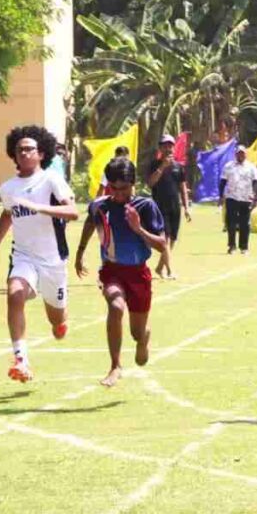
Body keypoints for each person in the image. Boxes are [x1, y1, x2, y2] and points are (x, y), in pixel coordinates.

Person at [0, 126, 79, 383]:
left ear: (41, 153)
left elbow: (73, 212)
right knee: (14, 294)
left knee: (56, 320)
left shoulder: (51, 180)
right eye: (19, 149)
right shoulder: (9, 187)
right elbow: (8, 214)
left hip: (53, 260)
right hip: (23, 256)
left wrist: (39, 207)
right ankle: (21, 360)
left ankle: (59, 320)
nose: (23, 153)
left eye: (29, 149)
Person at [75, 158, 166, 387]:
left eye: (123, 189)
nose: (117, 194)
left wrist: (138, 229)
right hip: (112, 270)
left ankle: (143, 338)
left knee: (137, 332)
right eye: (113, 189)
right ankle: (115, 365)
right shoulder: (99, 205)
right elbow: (89, 222)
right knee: (115, 306)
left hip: (138, 274)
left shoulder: (146, 206)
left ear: (133, 184)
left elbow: (162, 244)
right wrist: (80, 252)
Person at [147, 135, 191, 278]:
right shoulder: (154, 164)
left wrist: (186, 207)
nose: (168, 148)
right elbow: (151, 183)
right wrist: (162, 167)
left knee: (172, 239)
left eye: (170, 145)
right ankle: (170, 270)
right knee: (164, 239)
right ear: (160, 148)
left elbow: (183, 187)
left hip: (174, 206)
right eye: (165, 145)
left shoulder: (179, 167)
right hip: (159, 206)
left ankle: (160, 268)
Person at [219, 145, 257, 254]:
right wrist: (220, 196)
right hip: (231, 197)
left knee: (244, 224)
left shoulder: (251, 167)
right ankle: (232, 246)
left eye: (243, 153)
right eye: (239, 153)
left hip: (246, 198)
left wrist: (255, 196)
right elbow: (223, 182)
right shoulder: (228, 166)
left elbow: (256, 182)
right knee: (231, 223)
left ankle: (244, 247)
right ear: (235, 154)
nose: (241, 155)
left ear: (246, 154)